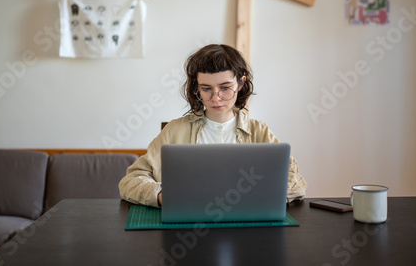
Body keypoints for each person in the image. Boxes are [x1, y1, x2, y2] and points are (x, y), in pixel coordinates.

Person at [118, 44, 307, 208]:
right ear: (196, 87)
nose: (215, 98)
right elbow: (130, 182)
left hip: (247, 226)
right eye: (206, 89)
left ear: (240, 83)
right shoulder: (175, 131)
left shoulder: (259, 132)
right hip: (187, 228)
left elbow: (296, 184)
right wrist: (161, 197)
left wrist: (262, 196)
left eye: (225, 88)